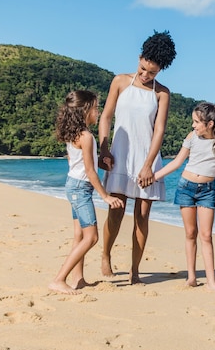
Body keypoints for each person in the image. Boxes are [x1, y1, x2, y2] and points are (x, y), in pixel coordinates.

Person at [98, 30, 177, 284]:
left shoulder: (162, 93)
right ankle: (105, 256)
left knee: (142, 216)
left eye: (152, 72)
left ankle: (134, 270)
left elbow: (159, 130)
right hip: (120, 156)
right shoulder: (120, 81)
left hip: (147, 161)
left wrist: (147, 166)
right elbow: (106, 117)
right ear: (139, 57)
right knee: (116, 211)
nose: (145, 75)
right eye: (143, 68)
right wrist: (103, 148)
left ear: (160, 70)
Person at [151, 102, 215, 290]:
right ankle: (191, 277)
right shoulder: (192, 137)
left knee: (206, 235)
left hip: (207, 191)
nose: (193, 125)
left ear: (210, 123)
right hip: (186, 187)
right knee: (190, 233)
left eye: (196, 122)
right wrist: (154, 177)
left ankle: (211, 281)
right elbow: (176, 162)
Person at [50, 90, 125, 295]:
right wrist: (106, 196)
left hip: (72, 184)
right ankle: (59, 279)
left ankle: (78, 279)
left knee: (79, 235)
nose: (98, 112)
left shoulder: (74, 134)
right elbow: (90, 172)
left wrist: (102, 162)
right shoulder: (87, 137)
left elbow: (78, 162)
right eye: (95, 108)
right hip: (81, 189)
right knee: (91, 237)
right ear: (85, 110)